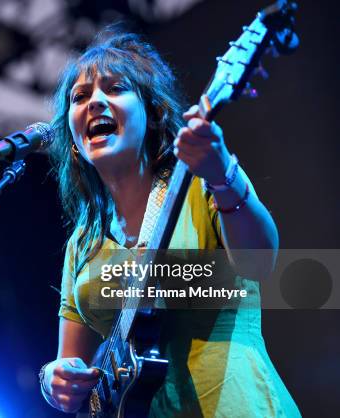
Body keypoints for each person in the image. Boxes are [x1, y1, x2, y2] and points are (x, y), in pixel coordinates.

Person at [39, 30, 301, 417]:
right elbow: (71, 368)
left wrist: (223, 175)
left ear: (152, 111)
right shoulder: (83, 240)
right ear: (73, 139)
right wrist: (53, 379)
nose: (95, 101)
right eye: (80, 97)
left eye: (115, 89)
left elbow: (261, 263)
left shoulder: (202, 181)